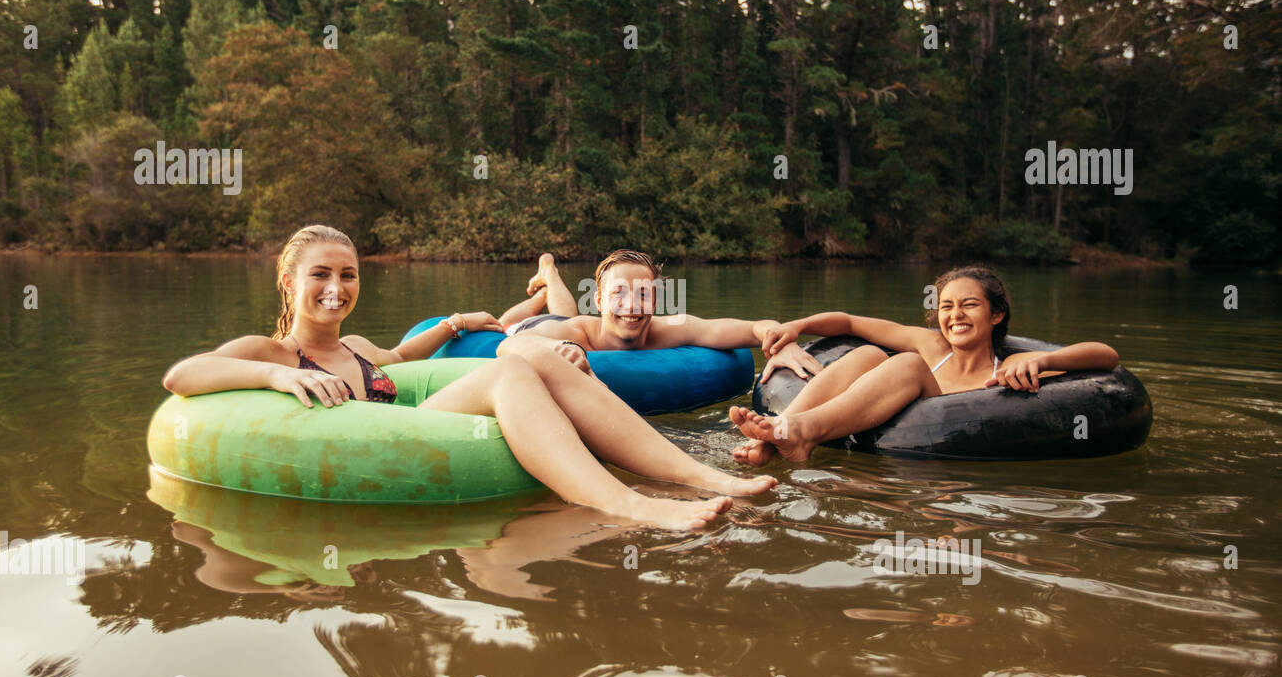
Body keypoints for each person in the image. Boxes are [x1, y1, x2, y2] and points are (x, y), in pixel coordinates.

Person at [161, 225, 775, 529]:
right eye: (320, 275)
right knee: (507, 374)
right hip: (376, 441)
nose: (335, 288)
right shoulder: (268, 351)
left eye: (347, 275)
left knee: (529, 356)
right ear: (290, 283)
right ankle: (624, 502)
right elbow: (182, 375)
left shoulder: (357, 346)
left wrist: (459, 321)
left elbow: (406, 362)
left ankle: (693, 472)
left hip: (410, 425)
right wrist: (275, 380)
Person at [729, 265, 1121, 464]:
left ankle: (799, 432)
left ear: (996, 315)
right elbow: (849, 323)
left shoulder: (1013, 362)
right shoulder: (930, 344)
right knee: (867, 354)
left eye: (970, 305)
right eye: (947, 306)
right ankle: (782, 434)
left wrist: (1048, 360)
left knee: (910, 366)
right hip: (878, 438)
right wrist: (798, 325)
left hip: (942, 467)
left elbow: (1106, 357)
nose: (956, 315)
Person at [494, 250, 823, 378]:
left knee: (563, 312)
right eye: (618, 294)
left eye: (643, 294)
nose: (632, 305)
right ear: (598, 301)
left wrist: (783, 340)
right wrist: (556, 350)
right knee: (513, 321)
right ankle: (546, 279)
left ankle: (549, 277)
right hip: (537, 327)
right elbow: (507, 345)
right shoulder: (572, 335)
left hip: (570, 322)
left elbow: (755, 328)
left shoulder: (670, 329)